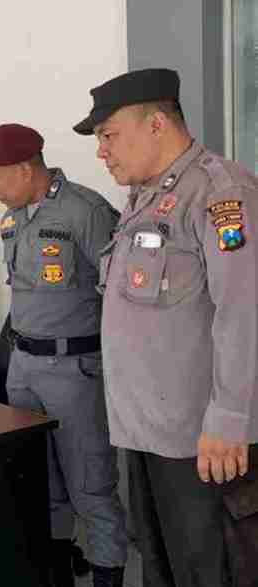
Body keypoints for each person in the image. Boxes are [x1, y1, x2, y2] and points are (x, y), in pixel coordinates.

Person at [74, 67, 258, 587]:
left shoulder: (221, 195)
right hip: (146, 432)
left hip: (202, 443)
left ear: (156, 124)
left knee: (210, 571)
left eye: (108, 135)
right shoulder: (146, 198)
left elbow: (245, 311)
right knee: (162, 570)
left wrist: (229, 420)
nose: (101, 151)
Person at [0, 124, 127, 587]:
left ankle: (108, 575)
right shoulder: (13, 219)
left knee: (91, 487)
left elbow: (122, 295)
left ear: (24, 168)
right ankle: (57, 572)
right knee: (42, 484)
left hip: (74, 370)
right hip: (23, 367)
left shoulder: (86, 212)